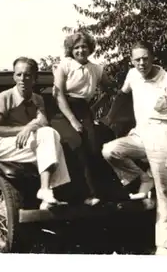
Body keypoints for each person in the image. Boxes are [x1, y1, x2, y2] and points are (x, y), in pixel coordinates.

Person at [101, 41, 167, 255]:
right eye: (137, 59)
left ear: (153, 58)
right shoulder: (132, 75)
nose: (142, 63)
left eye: (145, 58)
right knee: (110, 150)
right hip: (140, 133)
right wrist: (107, 119)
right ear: (131, 60)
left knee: (165, 190)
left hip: (162, 133)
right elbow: (122, 97)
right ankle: (142, 178)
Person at [0, 57, 70, 210]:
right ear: (14, 76)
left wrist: (30, 126)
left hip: (26, 140)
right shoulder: (4, 97)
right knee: (50, 141)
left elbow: (43, 122)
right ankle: (48, 191)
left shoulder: (37, 99)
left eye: (27, 75)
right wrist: (25, 128)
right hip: (3, 143)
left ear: (34, 78)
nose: (22, 79)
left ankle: (46, 193)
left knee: (51, 135)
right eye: (18, 75)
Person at [51, 31, 115, 206]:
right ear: (71, 50)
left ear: (90, 48)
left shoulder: (97, 69)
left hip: (84, 110)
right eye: (77, 47)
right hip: (61, 111)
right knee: (76, 143)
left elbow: (109, 90)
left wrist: (93, 109)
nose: (80, 50)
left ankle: (104, 192)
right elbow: (59, 96)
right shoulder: (64, 65)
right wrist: (72, 120)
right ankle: (79, 195)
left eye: (84, 46)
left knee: (94, 146)